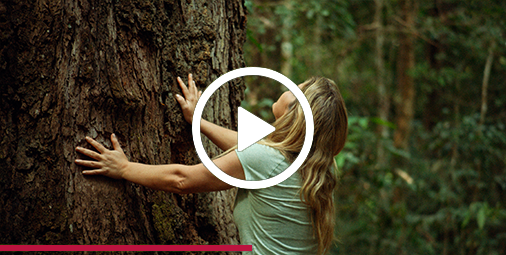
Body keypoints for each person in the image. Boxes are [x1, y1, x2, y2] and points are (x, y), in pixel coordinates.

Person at [75, 73, 348, 255]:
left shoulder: (268, 161)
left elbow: (182, 180)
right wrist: (198, 122)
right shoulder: (317, 166)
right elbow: (249, 145)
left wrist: (124, 168)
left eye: (295, 90)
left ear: (295, 112)